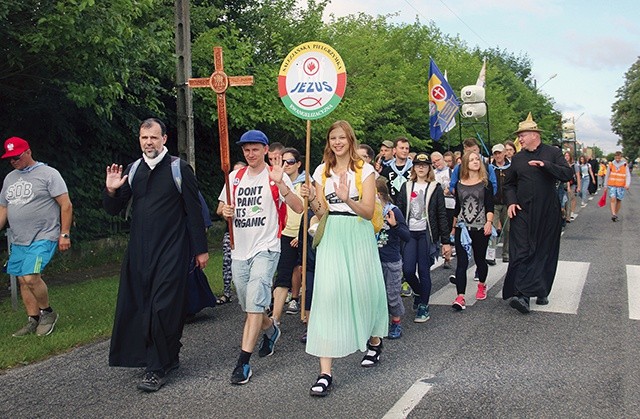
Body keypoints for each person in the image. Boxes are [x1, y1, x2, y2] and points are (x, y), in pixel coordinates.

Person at [103, 118, 209, 392]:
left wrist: (200, 249)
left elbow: (193, 212)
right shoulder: (134, 169)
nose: (148, 142)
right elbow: (114, 209)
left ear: (164, 138)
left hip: (172, 249)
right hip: (139, 252)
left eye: (153, 137)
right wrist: (112, 190)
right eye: (143, 138)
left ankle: (156, 369)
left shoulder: (179, 169)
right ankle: (168, 355)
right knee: (141, 306)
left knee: (163, 307)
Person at [300, 120, 388, 397]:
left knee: (363, 292)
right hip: (333, 234)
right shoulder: (320, 171)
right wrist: (311, 196)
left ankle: (374, 340)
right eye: (333, 138)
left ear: (350, 140)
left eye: (342, 138)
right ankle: (325, 373)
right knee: (328, 297)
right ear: (329, 142)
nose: (337, 142)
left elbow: (366, 211)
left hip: (358, 233)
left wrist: (346, 198)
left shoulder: (366, 171)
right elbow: (321, 211)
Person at [219, 130, 303, 385]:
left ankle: (243, 362)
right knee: (250, 307)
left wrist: (281, 185)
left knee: (254, 304)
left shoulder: (275, 176)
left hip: (267, 248)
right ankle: (271, 329)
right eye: (246, 150)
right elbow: (221, 207)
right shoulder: (235, 177)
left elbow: (299, 206)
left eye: (255, 149)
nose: (250, 154)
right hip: (239, 250)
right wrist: (225, 211)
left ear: (265, 150)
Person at [1, 137, 73, 337]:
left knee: (31, 277)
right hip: (19, 239)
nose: (13, 162)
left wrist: (64, 233)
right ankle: (33, 319)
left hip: (44, 235)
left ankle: (48, 313)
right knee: (23, 280)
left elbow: (65, 204)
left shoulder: (49, 174)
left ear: (28, 152)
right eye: (10, 159)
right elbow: (4, 208)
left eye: (16, 157)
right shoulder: (10, 178)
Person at [502, 113, 573, 313]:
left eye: (522, 135)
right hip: (523, 212)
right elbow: (508, 185)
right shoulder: (517, 159)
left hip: (547, 211)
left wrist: (546, 166)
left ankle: (541, 289)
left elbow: (567, 174)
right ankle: (522, 295)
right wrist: (511, 202)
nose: (520, 139)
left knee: (544, 250)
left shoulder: (552, 153)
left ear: (534, 134)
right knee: (522, 250)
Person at [396, 152, 451, 321]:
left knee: (424, 270)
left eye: (425, 165)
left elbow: (441, 214)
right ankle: (419, 292)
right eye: (418, 165)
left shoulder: (435, 187)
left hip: (427, 233)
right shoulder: (406, 186)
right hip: (409, 233)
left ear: (429, 168)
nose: (421, 168)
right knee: (408, 270)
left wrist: (446, 241)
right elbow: (399, 209)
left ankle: (423, 306)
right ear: (413, 167)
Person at [450, 151, 494, 310]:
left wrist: (489, 222)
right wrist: (453, 228)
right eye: (472, 160)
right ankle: (460, 296)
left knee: (480, 259)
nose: (476, 162)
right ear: (465, 164)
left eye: (478, 159)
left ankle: (482, 284)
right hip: (463, 227)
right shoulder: (459, 184)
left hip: (481, 226)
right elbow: (457, 207)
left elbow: (490, 205)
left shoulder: (485, 183)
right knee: (461, 262)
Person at [272, 147, 305, 322]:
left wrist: (301, 235)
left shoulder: (307, 183)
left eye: (290, 161)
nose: (286, 165)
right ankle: (275, 318)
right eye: (283, 161)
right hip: (284, 233)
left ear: (298, 164)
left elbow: (309, 211)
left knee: (305, 270)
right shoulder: (276, 181)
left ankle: (303, 305)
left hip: (303, 234)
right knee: (284, 272)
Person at [375, 177, 410, 338]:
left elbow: (406, 235)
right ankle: (378, 324)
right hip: (373, 259)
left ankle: (396, 323)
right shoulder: (367, 211)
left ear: (379, 194)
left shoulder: (393, 210)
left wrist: (394, 225)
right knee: (376, 295)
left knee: (392, 294)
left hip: (391, 260)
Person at [215, 161, 247, 305]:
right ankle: (227, 292)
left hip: (251, 233)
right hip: (232, 232)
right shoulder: (229, 187)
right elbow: (219, 209)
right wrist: (226, 211)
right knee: (228, 263)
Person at [431, 151, 455, 269]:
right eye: (434, 162)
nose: (436, 163)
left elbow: (456, 186)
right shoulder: (432, 174)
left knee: (447, 230)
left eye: (438, 160)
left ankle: (447, 258)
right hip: (437, 206)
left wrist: (450, 190)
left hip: (450, 204)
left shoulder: (451, 171)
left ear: (443, 159)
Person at [489, 144, 512, 262]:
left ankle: (506, 253)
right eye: (495, 153)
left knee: (508, 229)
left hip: (507, 203)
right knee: (492, 228)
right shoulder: (490, 168)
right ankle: (491, 254)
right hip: (494, 202)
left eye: (499, 153)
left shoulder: (511, 167)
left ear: (504, 153)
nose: (497, 155)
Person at [379, 137, 412, 203]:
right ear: (394, 150)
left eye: (407, 148)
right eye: (401, 148)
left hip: (411, 206)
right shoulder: (387, 170)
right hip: (393, 206)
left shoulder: (414, 168)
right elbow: (382, 190)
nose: (404, 151)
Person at [605, 151, 631, 222]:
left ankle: (615, 214)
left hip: (621, 185)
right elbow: (607, 175)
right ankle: (613, 214)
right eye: (616, 158)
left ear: (621, 157)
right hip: (612, 185)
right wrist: (605, 185)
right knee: (613, 198)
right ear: (614, 157)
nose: (617, 159)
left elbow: (628, 175)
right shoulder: (611, 165)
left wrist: (627, 184)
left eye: (619, 158)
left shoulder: (625, 165)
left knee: (619, 200)